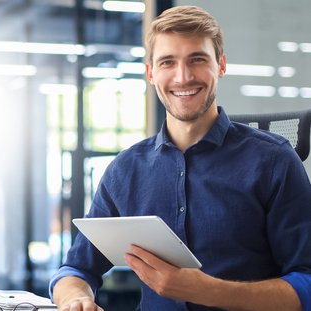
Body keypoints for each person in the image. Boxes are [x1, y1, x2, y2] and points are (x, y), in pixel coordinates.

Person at [49, 5, 311, 311]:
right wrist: (75, 298)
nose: (183, 77)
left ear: (221, 66)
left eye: (197, 59)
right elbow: (75, 270)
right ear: (150, 72)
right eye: (167, 62)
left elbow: (307, 286)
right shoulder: (125, 171)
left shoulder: (274, 161)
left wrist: (208, 290)